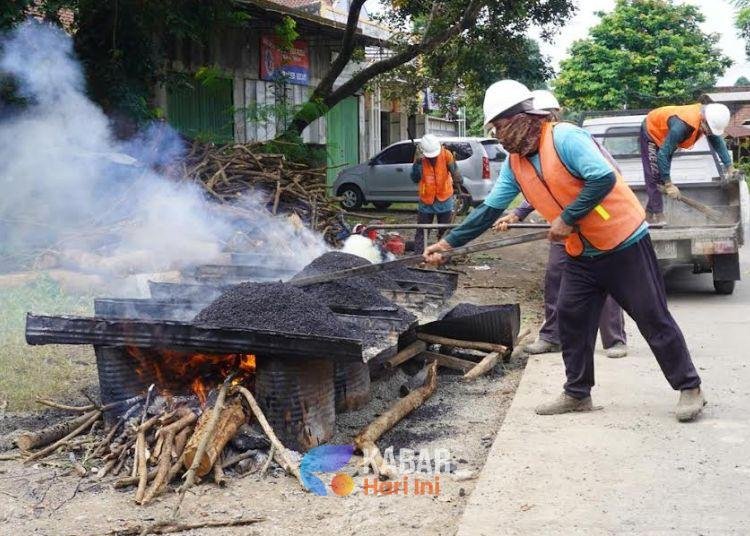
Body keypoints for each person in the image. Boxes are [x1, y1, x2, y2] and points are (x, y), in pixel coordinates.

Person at [424, 79, 705, 422]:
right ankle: (577, 393)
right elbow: (491, 210)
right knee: (571, 319)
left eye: (498, 126)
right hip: (581, 253)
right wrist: (450, 243)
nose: (497, 135)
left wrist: (568, 218)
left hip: (623, 243)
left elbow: (602, 177)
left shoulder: (565, 138)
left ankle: (689, 387)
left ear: (520, 118)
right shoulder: (517, 163)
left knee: (652, 317)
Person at [497, 89, 628, 359]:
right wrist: (518, 213)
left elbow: (610, 174)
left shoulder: (571, 140)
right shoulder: (533, 149)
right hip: (563, 228)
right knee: (556, 277)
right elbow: (540, 184)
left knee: (606, 279)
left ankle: (614, 340)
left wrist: (573, 211)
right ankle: (552, 336)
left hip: (596, 223)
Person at [640, 102, 734, 223]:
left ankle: (648, 215)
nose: (709, 133)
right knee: (654, 175)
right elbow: (663, 155)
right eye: (709, 130)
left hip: (665, 136)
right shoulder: (681, 126)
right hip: (651, 130)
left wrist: (729, 166)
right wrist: (669, 184)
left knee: (660, 176)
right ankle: (659, 215)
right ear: (704, 120)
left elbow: (718, 143)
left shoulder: (708, 120)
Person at [411, 134, 462, 253]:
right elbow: (415, 178)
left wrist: (459, 188)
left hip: (445, 198)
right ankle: (419, 256)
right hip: (426, 200)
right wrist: (417, 163)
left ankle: (443, 255)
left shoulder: (446, 154)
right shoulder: (420, 159)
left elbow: (455, 173)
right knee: (422, 230)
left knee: (444, 230)